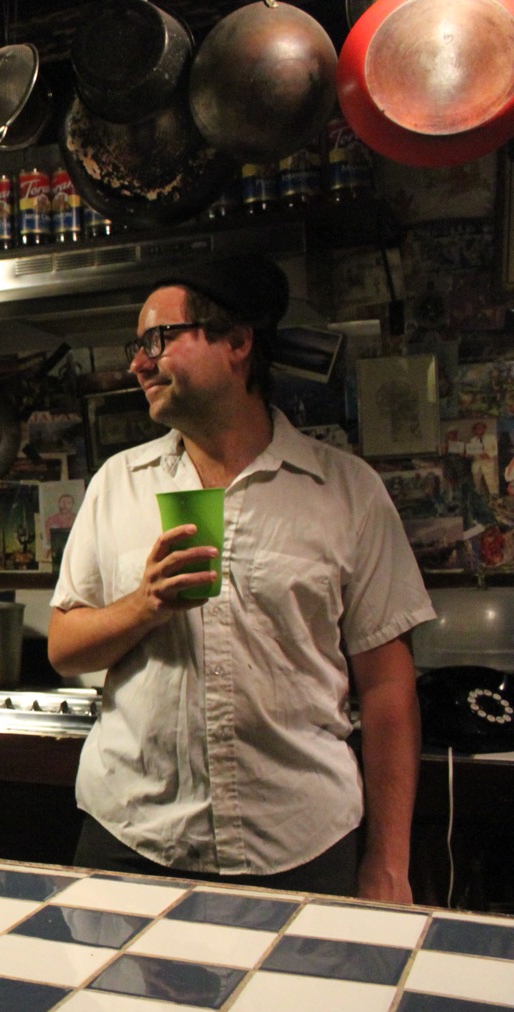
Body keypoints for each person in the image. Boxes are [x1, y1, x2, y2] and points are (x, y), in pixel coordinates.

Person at [47, 255, 435, 904]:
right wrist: (145, 605)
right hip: (132, 839)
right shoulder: (118, 484)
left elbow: (389, 688)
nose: (138, 363)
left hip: (300, 846)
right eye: (136, 345)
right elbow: (64, 648)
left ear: (236, 342)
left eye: (157, 339)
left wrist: (389, 863)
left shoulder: (347, 491)